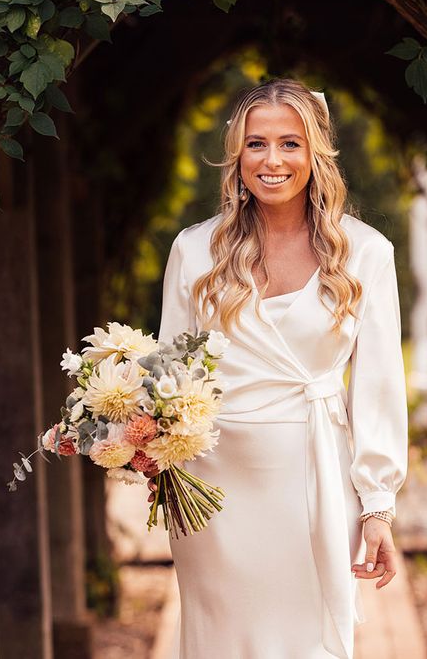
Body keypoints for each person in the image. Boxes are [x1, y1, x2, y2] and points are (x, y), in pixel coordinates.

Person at [156, 78, 408, 659]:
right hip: (212, 492)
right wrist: (144, 446)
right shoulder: (194, 250)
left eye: (290, 143)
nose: (272, 160)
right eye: (256, 144)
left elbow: (379, 386)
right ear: (237, 155)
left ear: (316, 154)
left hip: (313, 479)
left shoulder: (366, 253)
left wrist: (377, 507)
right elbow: (170, 373)